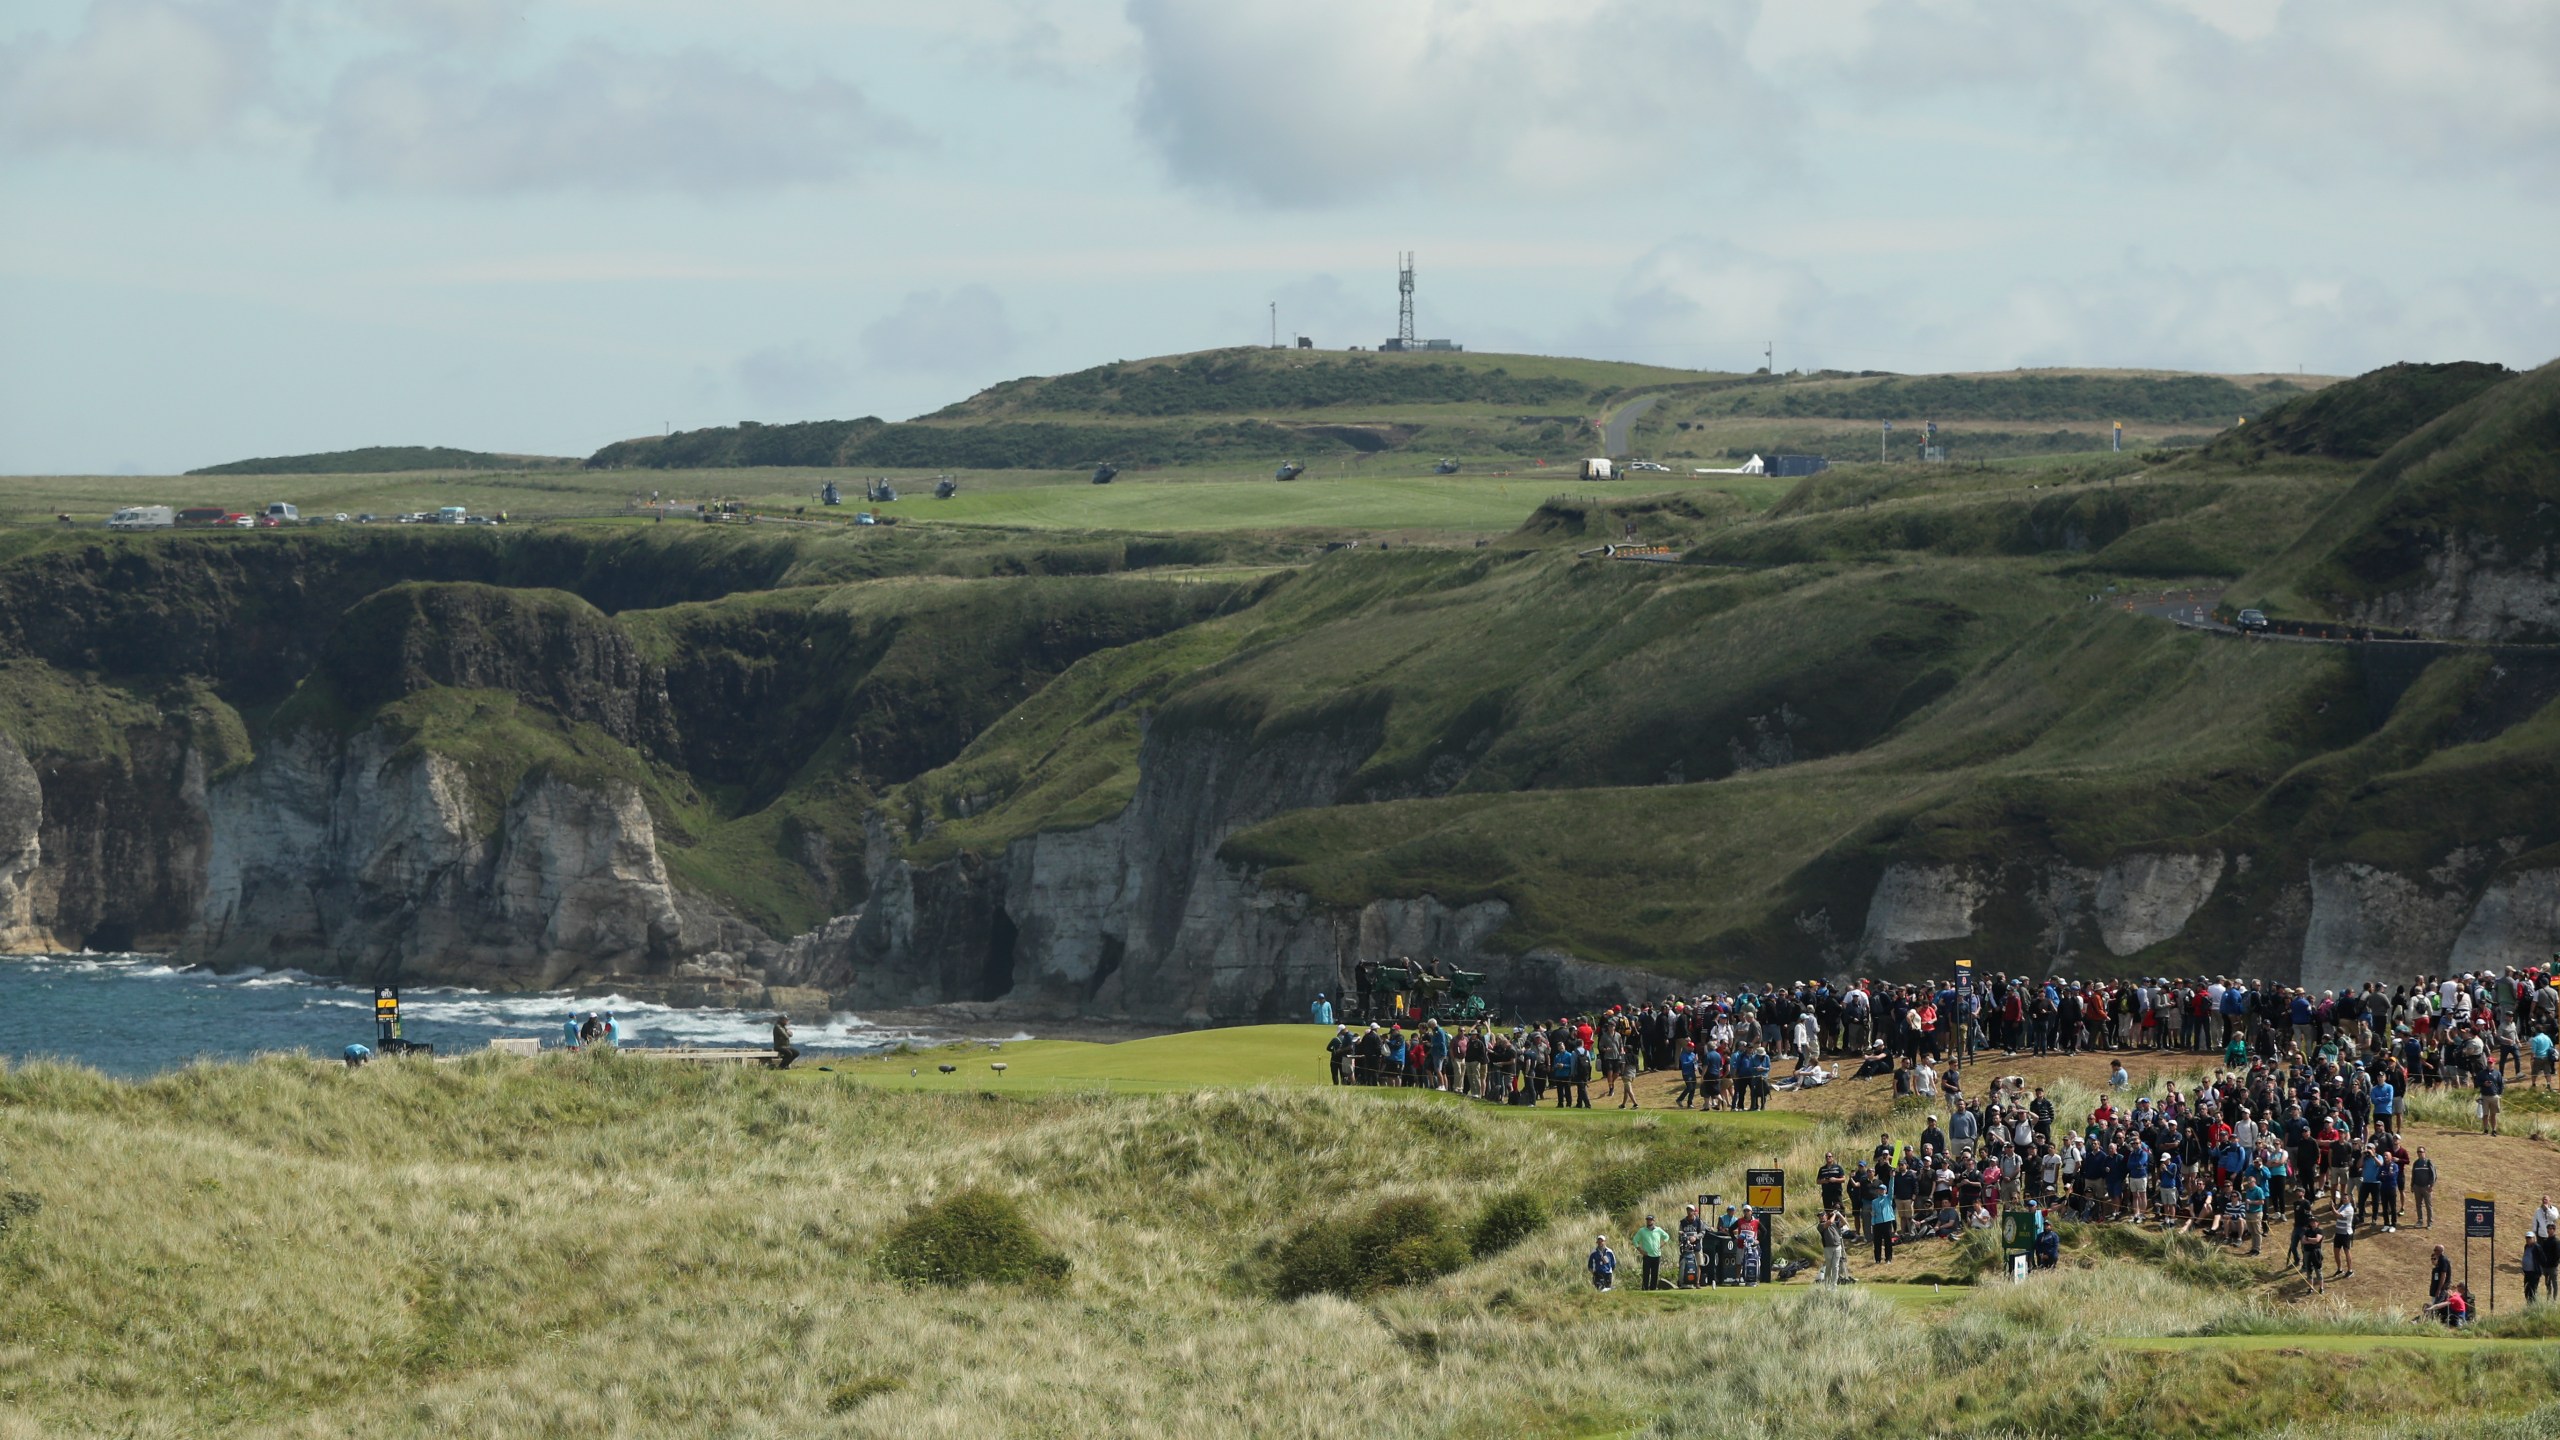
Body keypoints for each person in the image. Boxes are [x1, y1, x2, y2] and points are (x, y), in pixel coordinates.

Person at [1633, 1215, 1670, 1291]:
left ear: (1654, 1221)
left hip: (1656, 1255)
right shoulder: (1642, 1231)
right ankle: (1644, 1289)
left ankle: (1653, 1289)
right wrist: (1640, 1250)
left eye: (1650, 1220)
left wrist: (1663, 1243)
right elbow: (1635, 1240)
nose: (1649, 1221)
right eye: (1648, 1220)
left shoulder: (1658, 1230)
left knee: (1655, 1274)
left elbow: (1667, 1236)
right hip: (1647, 1255)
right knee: (1646, 1273)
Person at [1819, 1207, 1848, 1286]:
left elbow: (1844, 1222)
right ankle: (1827, 1284)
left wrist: (1839, 1214)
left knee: (1835, 1266)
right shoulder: (1820, 1225)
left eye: (1822, 1215)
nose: (1821, 1217)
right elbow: (1829, 1222)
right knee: (1828, 1266)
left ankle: (1833, 1285)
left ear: (1826, 1216)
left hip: (1837, 1246)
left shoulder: (1835, 1223)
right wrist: (1835, 1214)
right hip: (1828, 1248)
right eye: (1820, 1216)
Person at [2411, 1147, 2436, 1229]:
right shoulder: (2416, 1163)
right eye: (2418, 1152)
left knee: (2428, 1206)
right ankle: (2420, 1220)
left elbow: (2434, 1175)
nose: (2419, 1153)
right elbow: (2413, 1175)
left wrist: (2431, 1185)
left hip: (2426, 1187)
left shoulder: (2429, 1162)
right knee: (2418, 1205)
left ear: (2424, 1152)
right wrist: (2412, 1185)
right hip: (2417, 1187)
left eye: (2421, 1151)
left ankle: (2430, 1223)